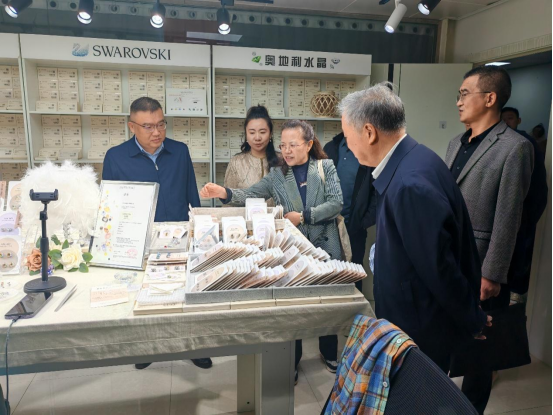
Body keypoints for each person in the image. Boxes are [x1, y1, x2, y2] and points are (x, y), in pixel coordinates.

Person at [339, 83, 490, 375]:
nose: (348, 145)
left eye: (347, 137)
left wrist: (472, 318)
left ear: (369, 133)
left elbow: (439, 267)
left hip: (419, 328)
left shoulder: (409, 183)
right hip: (413, 318)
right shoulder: (415, 158)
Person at [200, 120, 343, 381]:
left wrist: (304, 215)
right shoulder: (277, 175)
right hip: (295, 248)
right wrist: (224, 192)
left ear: (309, 145)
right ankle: (292, 360)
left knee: (328, 301)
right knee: (294, 306)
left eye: (293, 145)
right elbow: (250, 193)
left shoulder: (325, 167)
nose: (286, 151)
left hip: (325, 244)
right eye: (283, 145)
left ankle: (329, 351)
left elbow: (336, 203)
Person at [446, 67, 534, 415]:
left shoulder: (515, 148)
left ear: (490, 98)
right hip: (449, 258)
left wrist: (492, 274)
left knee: (480, 350)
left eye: (464, 93)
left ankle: (470, 410)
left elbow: (509, 217)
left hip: (482, 263)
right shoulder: (456, 143)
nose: (458, 101)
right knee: (447, 336)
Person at [102, 97, 212, 371]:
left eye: (161, 124)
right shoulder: (116, 157)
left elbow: (191, 193)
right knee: (146, 294)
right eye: (148, 126)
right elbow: (110, 206)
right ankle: (146, 347)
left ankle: (194, 346)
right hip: (140, 240)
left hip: (179, 235)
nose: (157, 132)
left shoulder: (179, 151)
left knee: (186, 291)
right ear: (132, 126)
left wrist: (198, 231)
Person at [501, 107, 548, 298]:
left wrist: (528, 218)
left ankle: (517, 293)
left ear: (518, 120)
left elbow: (538, 186)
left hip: (523, 213)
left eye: (510, 118)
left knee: (521, 254)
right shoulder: (497, 142)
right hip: (502, 217)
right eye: (503, 119)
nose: (506, 123)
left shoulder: (526, 143)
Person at [324, 134, 376, 290]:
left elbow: (378, 194)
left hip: (354, 229)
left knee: (353, 277)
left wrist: (363, 222)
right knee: (328, 276)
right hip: (328, 228)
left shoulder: (370, 151)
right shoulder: (331, 148)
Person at [224, 105, 280, 206]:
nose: (257, 137)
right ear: (246, 134)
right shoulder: (237, 162)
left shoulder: (283, 161)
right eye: (252, 132)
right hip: (245, 216)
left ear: (270, 134)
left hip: (278, 216)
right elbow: (229, 202)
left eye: (262, 132)